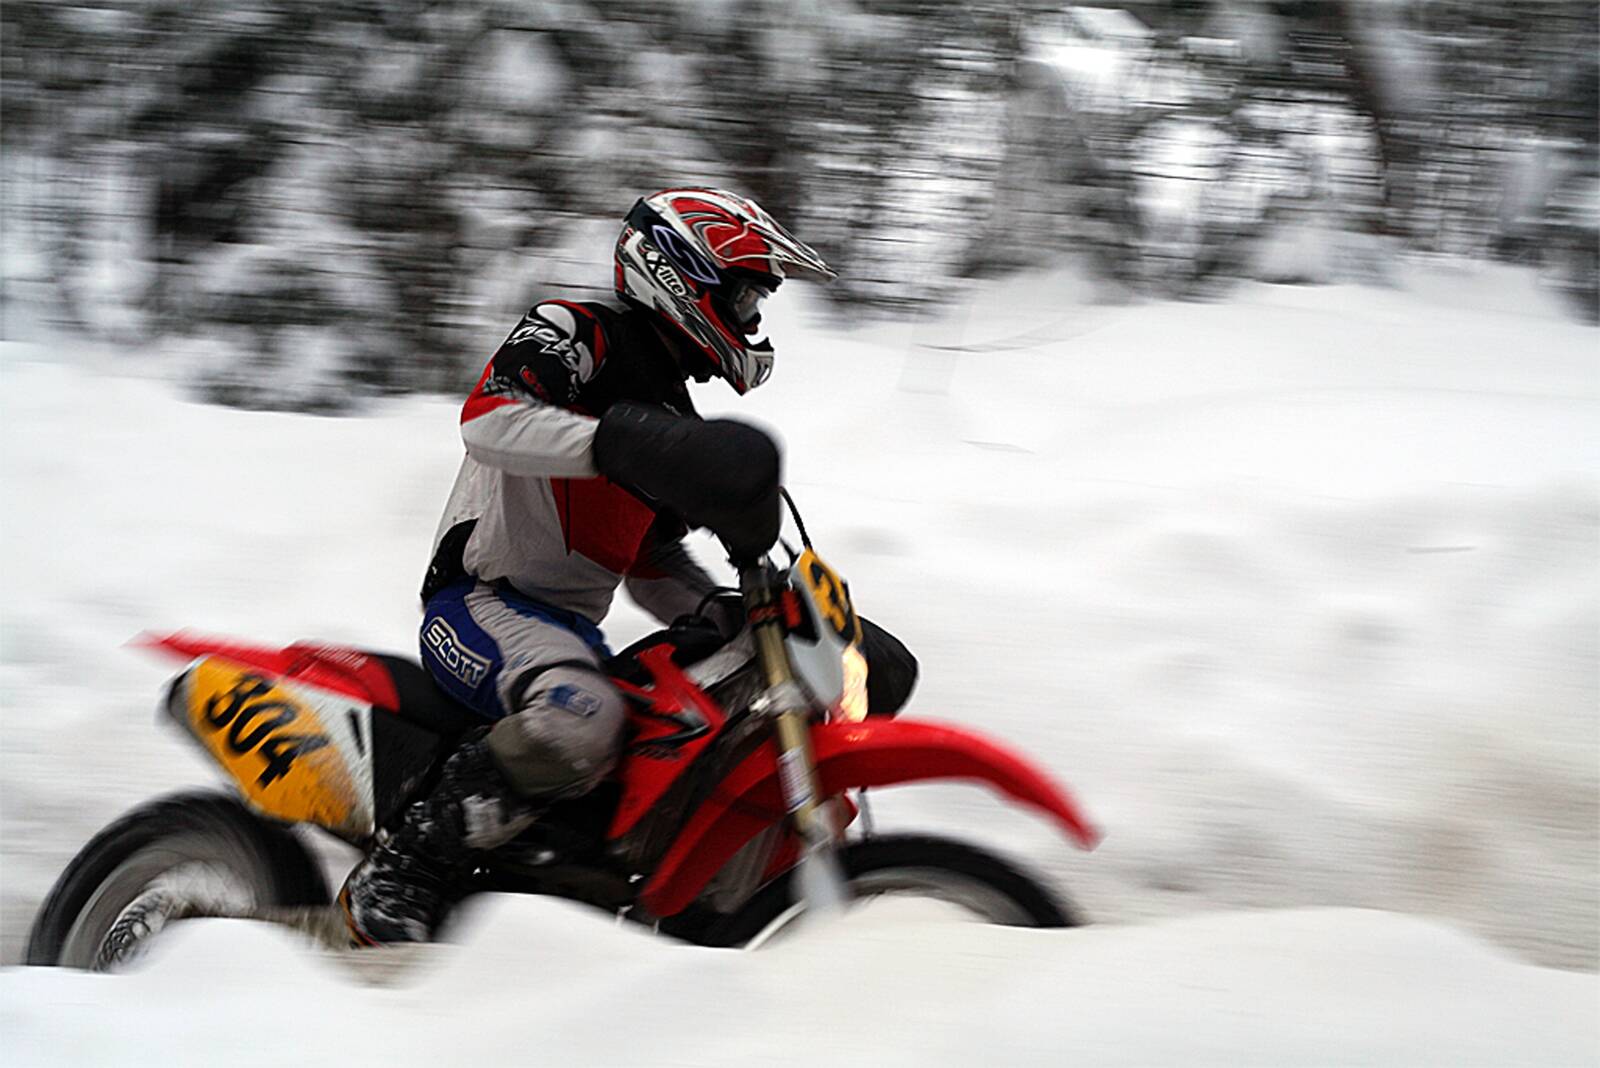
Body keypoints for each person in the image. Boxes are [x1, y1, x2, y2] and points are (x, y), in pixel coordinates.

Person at [340, 188, 911, 946]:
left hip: (567, 632)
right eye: (743, 297)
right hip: (479, 603)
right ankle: (403, 869)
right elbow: (487, 420)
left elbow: (651, 558)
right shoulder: (574, 332)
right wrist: (618, 442)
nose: (751, 320)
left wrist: (717, 607)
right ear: (681, 272)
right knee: (584, 715)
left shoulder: (669, 416)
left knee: (683, 724)